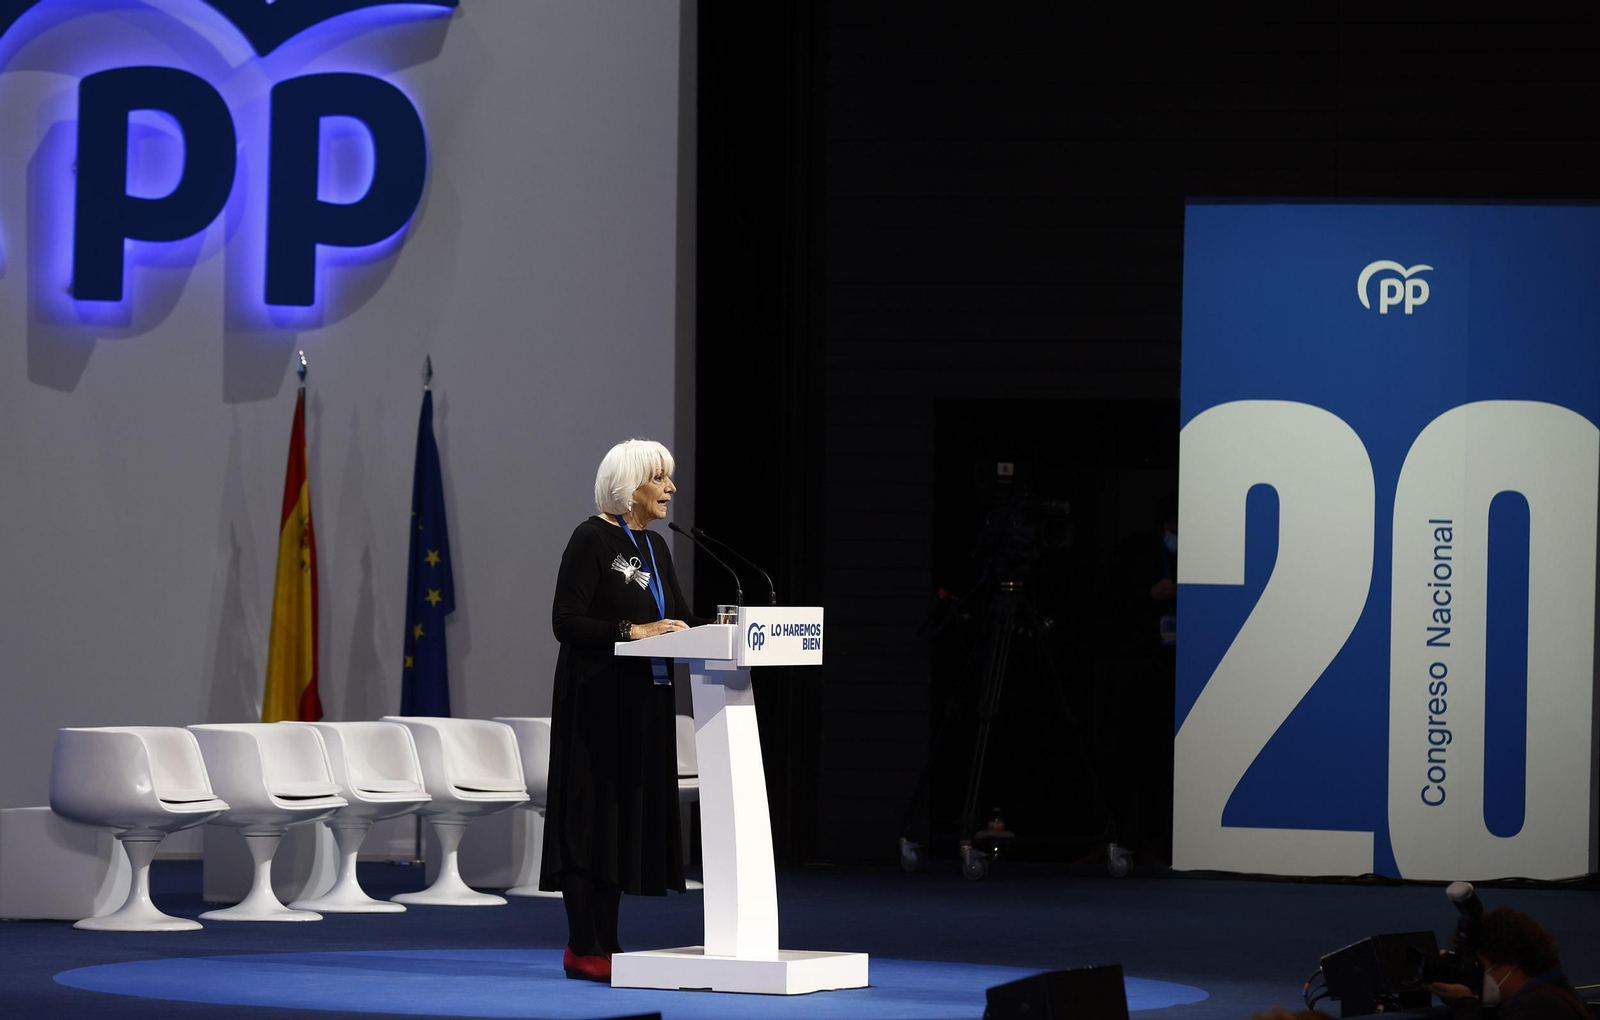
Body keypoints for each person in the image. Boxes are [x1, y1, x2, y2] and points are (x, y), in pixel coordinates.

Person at [539, 438, 708, 983]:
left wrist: (714, 632)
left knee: (618, 825)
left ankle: (607, 945)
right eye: (660, 479)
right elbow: (566, 622)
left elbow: (677, 617)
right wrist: (630, 632)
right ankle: (581, 944)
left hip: (644, 704)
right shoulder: (589, 539)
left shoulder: (656, 547)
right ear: (629, 484)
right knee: (589, 822)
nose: (671, 489)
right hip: (595, 704)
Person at [1427, 908, 1590, 1020]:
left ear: (1510, 963)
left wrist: (1464, 1006)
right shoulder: (1556, 991)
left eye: (1478, 966)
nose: (1474, 975)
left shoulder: (1535, 1008)